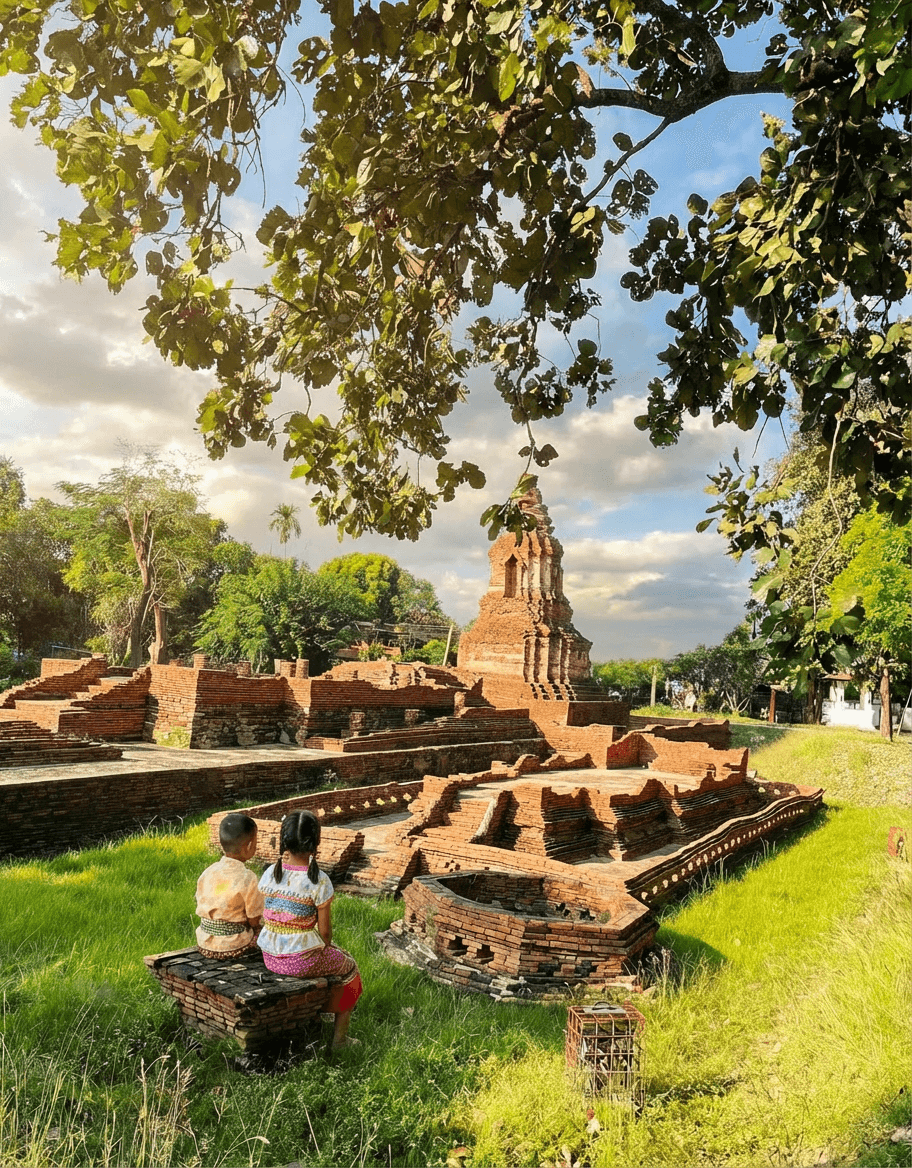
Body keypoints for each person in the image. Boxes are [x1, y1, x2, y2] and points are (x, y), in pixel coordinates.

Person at [257, 809, 362, 1050]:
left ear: (285, 840)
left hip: (270, 956)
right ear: (316, 843)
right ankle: (340, 1041)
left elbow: (271, 916)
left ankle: (320, 1013)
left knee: (334, 958)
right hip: (300, 961)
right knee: (349, 968)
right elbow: (325, 935)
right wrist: (325, 949)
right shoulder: (319, 880)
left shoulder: (270, 874)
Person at [195, 812, 265, 959]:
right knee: (266, 931)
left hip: (204, 942)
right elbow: (253, 920)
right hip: (234, 945)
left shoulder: (208, 872)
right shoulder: (248, 877)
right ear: (250, 846)